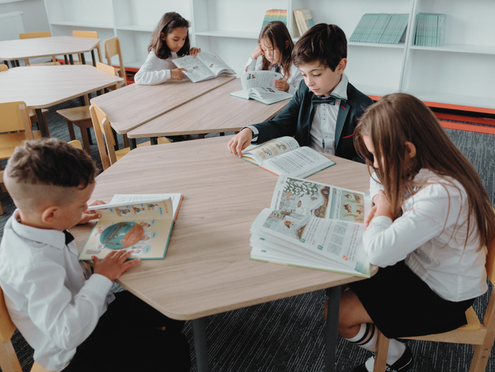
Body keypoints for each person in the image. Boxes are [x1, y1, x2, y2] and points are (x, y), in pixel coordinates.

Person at [0, 139, 191, 372]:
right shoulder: (33, 268)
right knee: (174, 351)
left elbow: (45, 215)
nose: (86, 208)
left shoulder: (28, 219)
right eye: (82, 205)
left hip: (94, 309)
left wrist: (72, 217)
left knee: (171, 302)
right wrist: (102, 277)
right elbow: (66, 335)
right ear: (51, 214)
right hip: (76, 350)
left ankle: (144, 342)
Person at [336, 93, 495, 372]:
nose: (374, 164)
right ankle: (389, 342)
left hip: (442, 295)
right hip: (420, 265)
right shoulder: (421, 161)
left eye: (377, 155)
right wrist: (381, 197)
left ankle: (396, 357)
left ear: (408, 150)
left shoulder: (442, 193)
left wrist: (384, 208)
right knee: (335, 274)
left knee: (337, 313)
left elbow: (380, 252)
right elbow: (376, 179)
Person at [229, 23, 374, 162]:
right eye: (304, 75)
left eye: (316, 74)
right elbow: (281, 123)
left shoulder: (364, 107)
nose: (308, 82)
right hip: (303, 166)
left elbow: (365, 159)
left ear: (340, 66)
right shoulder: (305, 91)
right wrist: (251, 131)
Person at [134, 12, 201, 85]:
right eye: (175, 39)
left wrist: (193, 56)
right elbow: (139, 77)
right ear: (163, 36)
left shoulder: (180, 52)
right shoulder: (155, 56)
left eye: (183, 39)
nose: (181, 44)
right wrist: (170, 74)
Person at [245, 20, 303, 94]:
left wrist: (288, 88)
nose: (268, 54)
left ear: (285, 45)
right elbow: (248, 79)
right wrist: (253, 57)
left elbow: (303, 93)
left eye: (272, 49)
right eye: (264, 50)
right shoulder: (266, 64)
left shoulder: (296, 67)